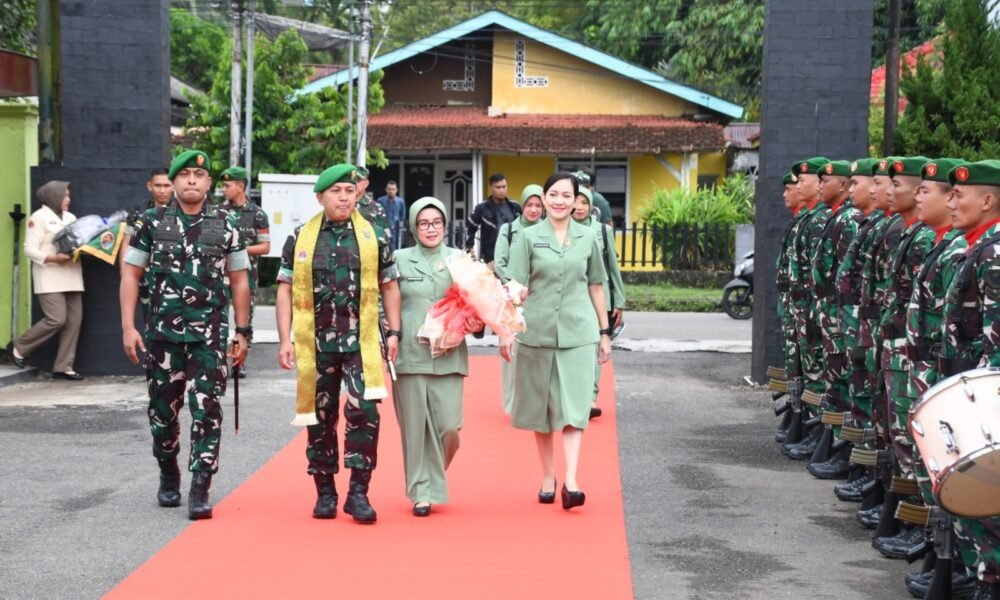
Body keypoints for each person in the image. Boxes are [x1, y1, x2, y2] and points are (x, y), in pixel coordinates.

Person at [119, 150, 251, 520]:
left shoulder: (226, 224)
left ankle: (200, 485)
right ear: (173, 182)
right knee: (163, 414)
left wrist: (242, 331)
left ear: (209, 183)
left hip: (208, 337)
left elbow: (240, 281)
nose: (192, 180)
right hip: (161, 337)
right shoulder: (150, 222)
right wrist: (128, 327)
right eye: (185, 175)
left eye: (199, 174)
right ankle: (168, 470)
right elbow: (130, 275)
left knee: (207, 410)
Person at [276, 163, 401, 524]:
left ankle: (358, 492)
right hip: (315, 343)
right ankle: (325, 490)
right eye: (336, 191)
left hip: (361, 341)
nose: (344, 197)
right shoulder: (301, 237)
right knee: (319, 416)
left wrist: (394, 332)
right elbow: (284, 290)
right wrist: (285, 339)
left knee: (366, 411)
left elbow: (390, 286)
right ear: (320, 197)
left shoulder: (374, 235)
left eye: (349, 190)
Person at [499, 172, 611, 511]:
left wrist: (604, 333)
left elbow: (595, 285)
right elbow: (515, 287)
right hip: (537, 331)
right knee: (543, 408)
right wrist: (507, 329)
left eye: (567, 195)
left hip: (579, 331)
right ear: (544, 199)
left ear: (577, 200)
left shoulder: (589, 236)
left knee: (575, 407)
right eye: (554, 195)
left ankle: (572, 480)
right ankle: (548, 476)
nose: (560, 201)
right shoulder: (529, 238)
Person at [393, 196, 482, 516]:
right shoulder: (399, 259)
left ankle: (431, 476)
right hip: (410, 355)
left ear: (445, 225)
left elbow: (478, 301)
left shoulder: (459, 259)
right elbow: (383, 300)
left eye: (437, 223)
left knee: (450, 428)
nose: (431, 229)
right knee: (415, 430)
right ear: (414, 227)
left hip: (448, 353)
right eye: (423, 223)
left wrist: (480, 319)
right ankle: (422, 491)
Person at [939, 159, 1000, 598]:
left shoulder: (995, 255)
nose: (951, 201)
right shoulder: (978, 246)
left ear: (988, 199)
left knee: (989, 498)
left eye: (960, 194)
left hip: (985, 397)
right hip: (967, 392)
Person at [805, 160, 862, 479]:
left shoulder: (849, 220)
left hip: (847, 321)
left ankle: (846, 451)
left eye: (827, 181)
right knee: (833, 381)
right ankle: (831, 441)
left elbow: (848, 280)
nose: (818, 184)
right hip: (831, 314)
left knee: (847, 386)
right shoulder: (837, 218)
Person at [6, 181, 85, 380]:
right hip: (49, 274)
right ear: (53, 196)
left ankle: (63, 367)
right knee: (56, 319)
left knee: (74, 321)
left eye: (68, 195)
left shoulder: (71, 217)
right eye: (65, 195)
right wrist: (51, 258)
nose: (68, 199)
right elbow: (28, 249)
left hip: (72, 274)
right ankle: (19, 346)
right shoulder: (38, 218)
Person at [572, 187, 625, 420]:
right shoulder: (562, 230)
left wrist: (619, 301)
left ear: (591, 205)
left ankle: (590, 398)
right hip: (571, 298)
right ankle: (572, 396)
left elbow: (613, 268)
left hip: (599, 298)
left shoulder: (602, 231)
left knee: (595, 347)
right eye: (577, 201)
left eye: (585, 202)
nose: (580, 207)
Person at [493, 184, 545, 415]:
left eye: (538, 205)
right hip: (512, 298)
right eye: (529, 204)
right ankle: (512, 404)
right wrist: (516, 287)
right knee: (511, 350)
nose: (533, 209)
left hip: (539, 297)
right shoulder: (509, 230)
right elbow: (500, 262)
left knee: (538, 351)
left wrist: (535, 287)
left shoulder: (548, 231)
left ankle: (536, 402)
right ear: (522, 205)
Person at [220, 166, 271, 378]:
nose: (223, 190)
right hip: (221, 275)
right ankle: (219, 361)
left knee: (244, 321)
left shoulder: (258, 214)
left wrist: (237, 249)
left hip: (247, 276)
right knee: (219, 317)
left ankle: (239, 363)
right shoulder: (218, 212)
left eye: (227, 186)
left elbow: (265, 247)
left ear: (240, 186)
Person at [465, 172, 522, 266]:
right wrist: (469, 248)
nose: (502, 190)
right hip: (490, 259)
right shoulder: (482, 208)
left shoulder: (515, 206)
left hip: (514, 256)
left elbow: (524, 226)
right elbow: (469, 228)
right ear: (491, 188)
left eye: (504, 186)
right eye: (498, 187)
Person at [377, 180, 407, 250]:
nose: (391, 191)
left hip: (396, 230)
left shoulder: (400, 202)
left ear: (396, 190)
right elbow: (378, 215)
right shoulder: (380, 200)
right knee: (383, 248)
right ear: (386, 190)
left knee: (395, 249)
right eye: (389, 189)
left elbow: (402, 216)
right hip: (383, 229)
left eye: (393, 189)